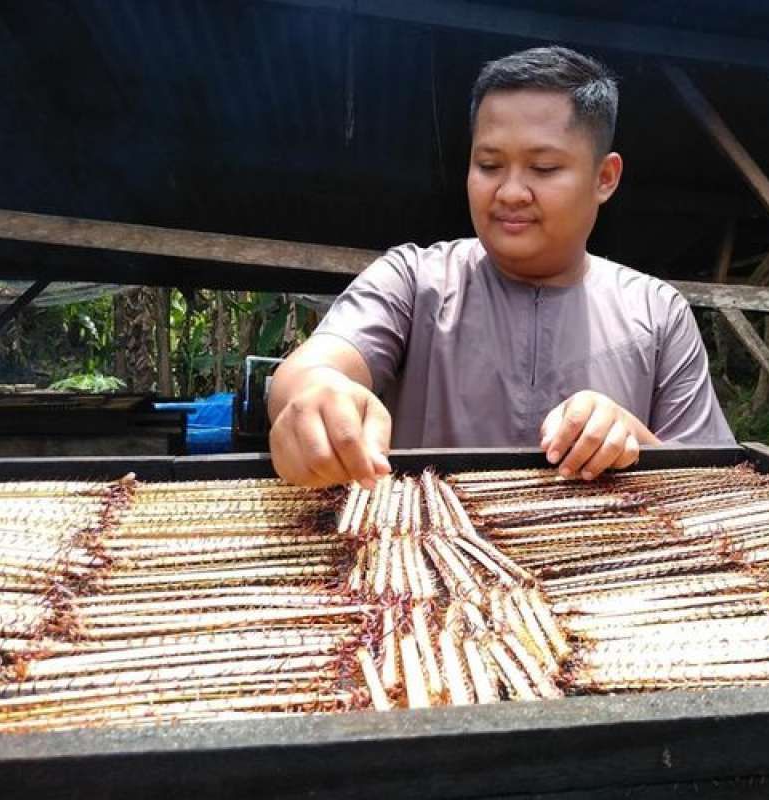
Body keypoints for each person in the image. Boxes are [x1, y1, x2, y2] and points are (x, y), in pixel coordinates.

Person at [268, 46, 734, 489]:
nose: (510, 192)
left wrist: (633, 442)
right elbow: (314, 366)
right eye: (489, 165)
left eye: (544, 168)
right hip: (422, 544)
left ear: (605, 178)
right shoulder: (413, 280)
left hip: (606, 548)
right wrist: (317, 393)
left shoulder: (658, 313)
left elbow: (711, 485)